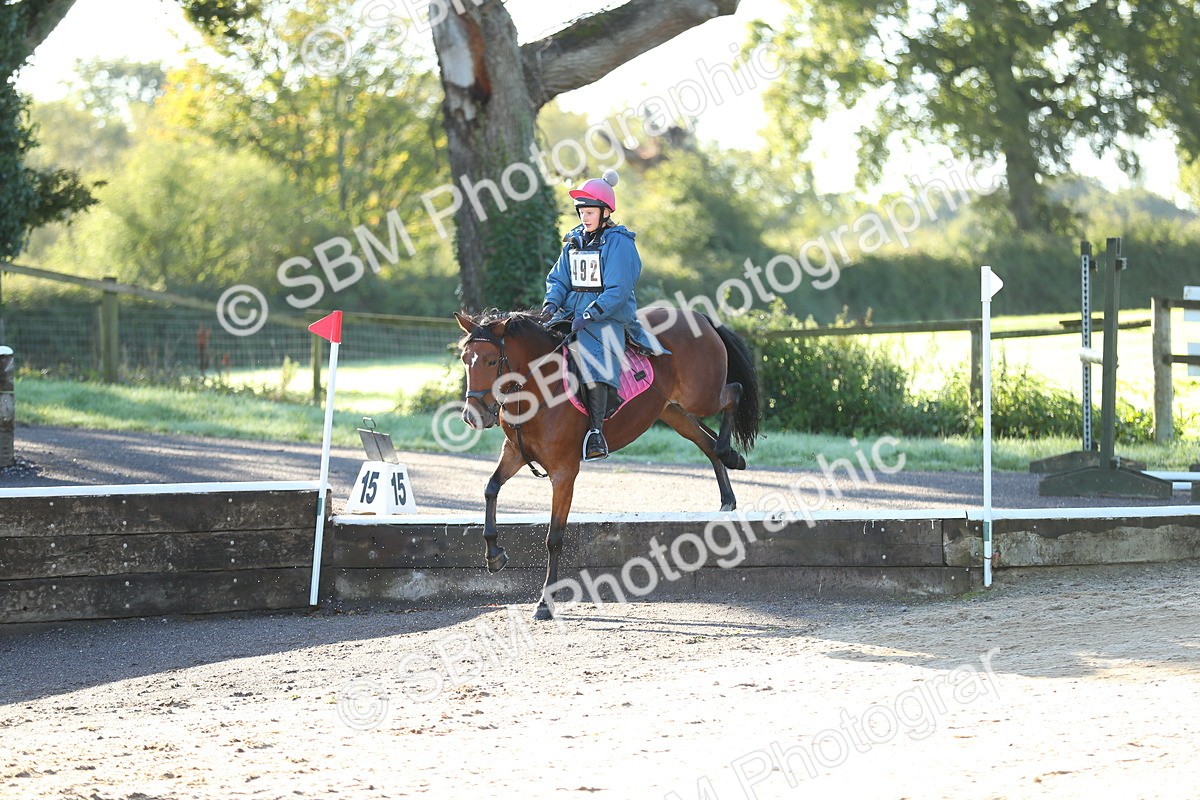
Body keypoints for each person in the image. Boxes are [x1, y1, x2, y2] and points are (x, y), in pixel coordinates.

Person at [541, 170, 664, 461]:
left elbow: (618, 289)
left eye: (590, 211)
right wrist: (550, 304)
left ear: (606, 212)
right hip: (572, 313)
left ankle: (596, 433)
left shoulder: (620, 243)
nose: (585, 217)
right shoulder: (573, 241)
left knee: (595, 360)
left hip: (607, 318)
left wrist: (591, 312)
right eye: (582, 211)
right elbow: (559, 279)